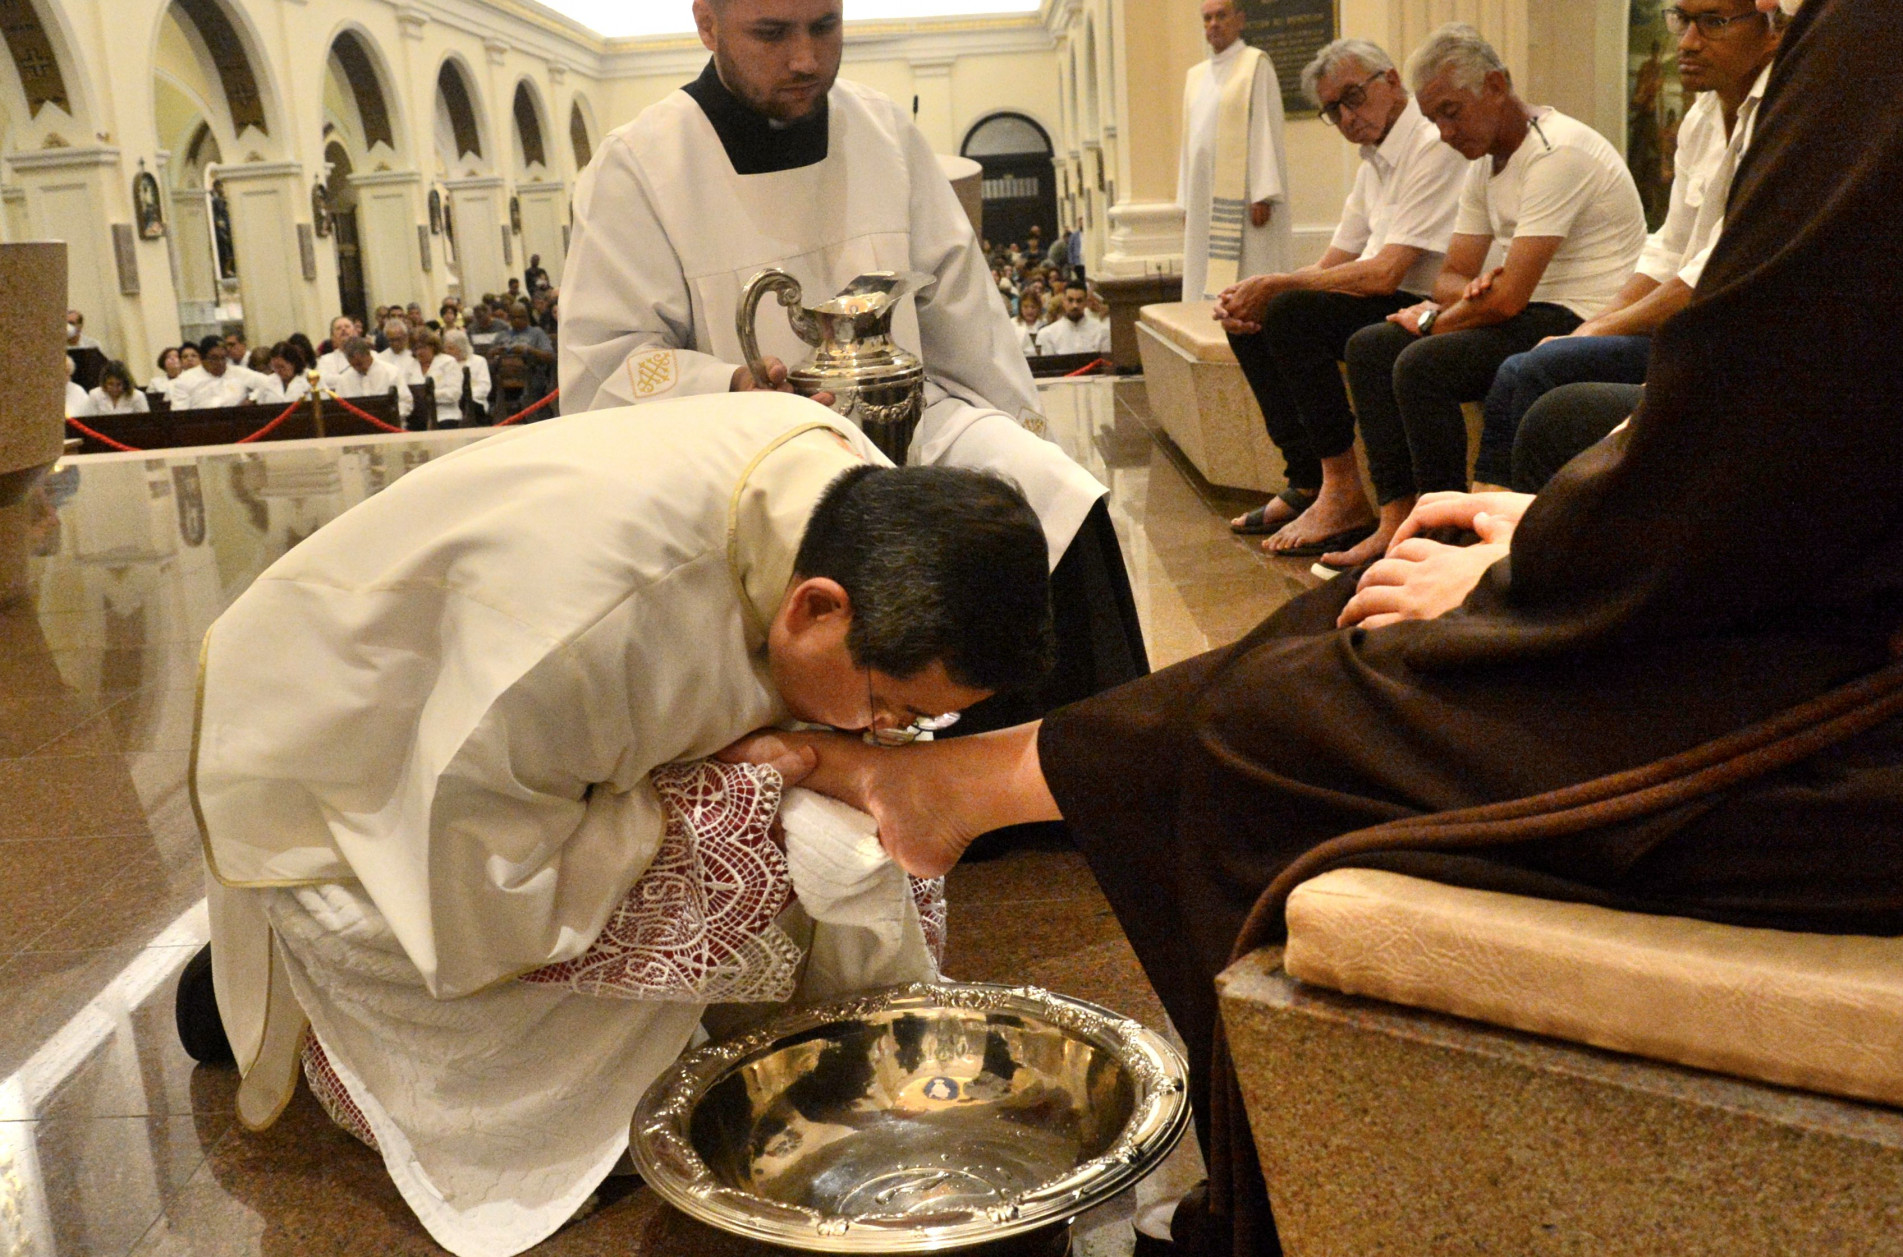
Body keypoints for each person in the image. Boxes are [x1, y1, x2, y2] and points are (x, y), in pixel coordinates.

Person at [723, 10, 1903, 1257]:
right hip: (1807, 582)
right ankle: (964, 787)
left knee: (1264, 733)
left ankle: (1269, 1214)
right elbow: (1789, 405)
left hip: (1856, 703)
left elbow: (1778, 418)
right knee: (1359, 599)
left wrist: (1547, 561)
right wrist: (1555, 530)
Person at [185, 391, 1053, 1257]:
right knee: (747, 820)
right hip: (350, 773)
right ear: (814, 608)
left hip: (512, 734)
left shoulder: (847, 496)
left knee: (804, 805)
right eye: (887, 706)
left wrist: (814, 754)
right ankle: (291, 1018)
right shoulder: (572, 644)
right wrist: (710, 788)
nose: (885, 737)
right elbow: (481, 894)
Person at [561, 0, 1146, 750]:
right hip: (742, 461)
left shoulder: (883, 133)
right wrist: (727, 385)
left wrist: (1013, 438)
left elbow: (961, 308)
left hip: (908, 418)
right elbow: (607, 360)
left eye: (824, 26)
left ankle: (1076, 769)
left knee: (1052, 499)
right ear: (706, 24)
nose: (805, 58)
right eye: (771, 34)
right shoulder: (640, 162)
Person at [1324, 24, 1647, 572]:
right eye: (1433, 120)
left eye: (1453, 112)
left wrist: (1437, 318)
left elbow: (1506, 300)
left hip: (1582, 313)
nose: (1446, 132)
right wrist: (1458, 297)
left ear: (1496, 85)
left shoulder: (1556, 150)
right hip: (1532, 306)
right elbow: (1451, 276)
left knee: (1420, 363)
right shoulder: (1483, 162)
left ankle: (1448, 529)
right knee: (1371, 346)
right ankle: (1396, 515)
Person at [1472, 0, 1783, 487]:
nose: (1686, 41)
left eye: (1713, 22)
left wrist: (1599, 330)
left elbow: (1712, 268)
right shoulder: (1702, 117)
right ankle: (1477, 524)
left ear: (1772, 33)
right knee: (1520, 367)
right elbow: (1669, 247)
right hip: (1681, 332)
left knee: (1539, 377)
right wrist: (1599, 324)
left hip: (1733, 346)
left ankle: (1515, 540)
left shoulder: (1783, 117)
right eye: (1682, 19)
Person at [1218, 38, 1470, 556]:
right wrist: (1253, 293)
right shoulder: (1372, 161)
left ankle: (1344, 493)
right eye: (1333, 109)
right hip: (1384, 290)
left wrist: (1279, 287)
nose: (1347, 116)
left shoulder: (1431, 144)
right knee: (1257, 316)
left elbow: (1385, 273)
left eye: (1353, 97)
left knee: (1289, 309)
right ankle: (1308, 479)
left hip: (1420, 299)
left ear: (1392, 81)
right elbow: (1334, 260)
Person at [1179, 0, 1292, 302]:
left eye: (1221, 16)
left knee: (1249, 269)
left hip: (1244, 197)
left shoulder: (1255, 64)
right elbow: (1189, 143)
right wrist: (1186, 201)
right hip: (1204, 195)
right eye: (1206, 19)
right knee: (1204, 270)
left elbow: (1265, 128)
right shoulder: (1195, 76)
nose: (1213, 24)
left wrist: (1263, 192)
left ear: (1240, 20)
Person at [322, 336, 413, 422]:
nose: (357, 368)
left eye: (360, 364)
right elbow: (340, 409)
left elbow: (406, 402)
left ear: (368, 354)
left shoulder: (391, 372)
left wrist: (391, 416)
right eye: (353, 365)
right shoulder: (344, 380)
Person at [171, 339, 268, 410]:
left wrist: (252, 398)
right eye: (214, 358)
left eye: (223, 358)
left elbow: (268, 383)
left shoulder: (239, 372)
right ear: (202, 359)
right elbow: (179, 413)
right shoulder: (185, 380)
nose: (220, 363)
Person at [1034, 280, 1111, 356]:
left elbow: (1106, 365)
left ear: (1086, 302)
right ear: (1063, 301)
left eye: (1079, 301)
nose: (1075, 305)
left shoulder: (1102, 331)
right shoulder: (1047, 334)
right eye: (1070, 300)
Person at [413, 329, 464, 418]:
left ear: (433, 347)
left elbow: (454, 393)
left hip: (445, 415)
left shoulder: (448, 362)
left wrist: (429, 395)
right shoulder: (411, 365)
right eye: (416, 348)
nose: (419, 352)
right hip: (417, 416)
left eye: (423, 347)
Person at [444, 328, 491, 421]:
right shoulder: (446, 363)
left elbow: (484, 387)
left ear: (461, 347)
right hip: (450, 404)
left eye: (451, 348)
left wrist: (465, 396)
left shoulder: (479, 361)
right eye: (446, 348)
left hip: (475, 401)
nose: (447, 351)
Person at [249, 342, 313, 406]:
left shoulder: (310, 378)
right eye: (275, 367)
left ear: (293, 363)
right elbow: (261, 407)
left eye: (282, 367)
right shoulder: (268, 382)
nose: (278, 371)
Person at [80, 360, 151, 416]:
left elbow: (145, 422)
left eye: (119, 384)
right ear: (104, 382)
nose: (114, 388)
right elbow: (89, 421)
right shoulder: (94, 395)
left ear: (125, 384)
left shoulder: (138, 396)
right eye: (110, 384)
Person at [376, 318, 426, 386]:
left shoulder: (415, 356)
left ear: (406, 337)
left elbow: (418, 382)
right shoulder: (380, 358)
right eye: (392, 340)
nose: (395, 343)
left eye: (398, 339)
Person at [1014, 289, 1046, 356]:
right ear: (1020, 308)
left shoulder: (1045, 324)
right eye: (1025, 307)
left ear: (1039, 308)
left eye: (1033, 307)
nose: (1029, 310)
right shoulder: (1012, 324)